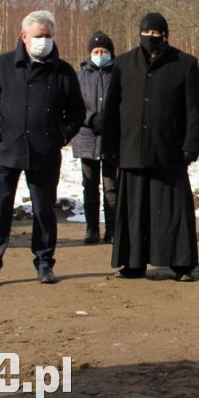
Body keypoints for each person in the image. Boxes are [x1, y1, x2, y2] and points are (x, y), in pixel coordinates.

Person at [0, 11, 84, 289]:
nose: (43, 42)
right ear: (24, 36)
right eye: (38, 37)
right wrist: (1, 128)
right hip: (4, 151)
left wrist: (61, 135)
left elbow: (77, 111)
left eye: (48, 36)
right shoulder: (1, 65)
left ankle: (45, 263)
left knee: (44, 211)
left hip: (44, 152)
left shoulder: (64, 71)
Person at [104, 13, 199, 282]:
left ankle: (180, 264)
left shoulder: (184, 64)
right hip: (132, 150)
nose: (150, 39)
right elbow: (112, 108)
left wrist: (191, 145)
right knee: (134, 212)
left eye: (155, 35)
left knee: (172, 211)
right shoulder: (124, 64)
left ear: (165, 35)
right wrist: (110, 146)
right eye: (145, 35)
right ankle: (133, 263)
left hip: (169, 151)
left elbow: (194, 110)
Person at [72, 31, 117, 245]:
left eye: (104, 51)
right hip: (86, 137)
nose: (100, 54)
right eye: (96, 51)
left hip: (112, 138)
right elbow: (73, 105)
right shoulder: (80, 76)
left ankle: (113, 229)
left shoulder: (119, 74)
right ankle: (91, 229)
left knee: (112, 186)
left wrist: (110, 119)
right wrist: (91, 118)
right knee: (89, 185)